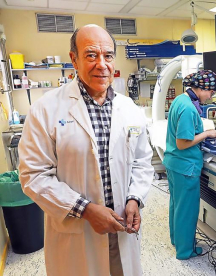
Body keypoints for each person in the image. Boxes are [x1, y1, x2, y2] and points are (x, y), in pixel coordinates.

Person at [18, 24, 154, 276]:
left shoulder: (130, 109)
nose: (101, 64)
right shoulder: (46, 109)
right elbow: (32, 176)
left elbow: (142, 163)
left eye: (108, 55)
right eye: (91, 55)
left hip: (123, 229)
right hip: (77, 232)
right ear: (74, 59)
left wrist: (135, 198)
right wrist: (86, 210)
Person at [163, 70, 216, 260]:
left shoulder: (181, 100)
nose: (211, 97)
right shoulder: (189, 108)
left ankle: (178, 241)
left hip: (174, 163)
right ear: (200, 88)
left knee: (177, 206)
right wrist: (207, 134)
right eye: (211, 93)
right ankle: (185, 251)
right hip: (185, 167)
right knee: (187, 211)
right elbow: (182, 143)